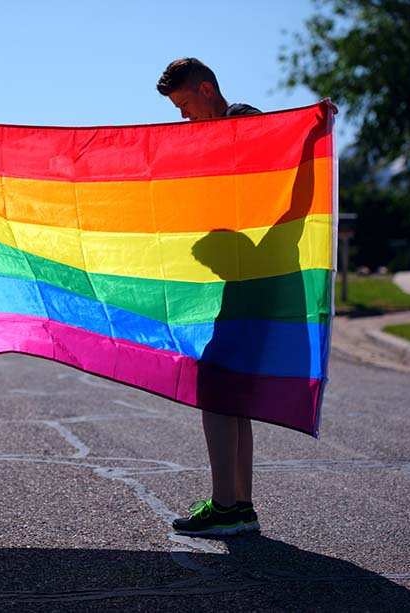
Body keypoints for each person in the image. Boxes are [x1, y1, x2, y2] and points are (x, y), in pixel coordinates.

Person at [156, 58, 261, 536]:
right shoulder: (223, 132)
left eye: (184, 105)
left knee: (216, 389)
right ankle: (239, 506)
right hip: (244, 278)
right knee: (232, 394)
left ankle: (225, 506)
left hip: (254, 278)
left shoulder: (241, 123)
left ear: (205, 88)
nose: (183, 117)